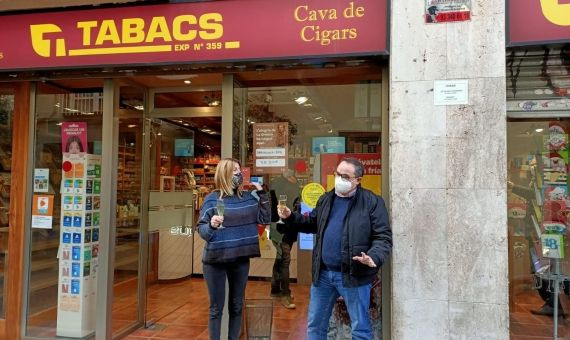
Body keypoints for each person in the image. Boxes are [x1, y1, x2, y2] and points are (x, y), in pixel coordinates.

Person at [277, 157, 392, 340]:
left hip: (354, 274)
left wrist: (373, 257)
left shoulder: (372, 202)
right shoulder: (326, 199)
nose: (339, 179)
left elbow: (383, 237)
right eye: (337, 174)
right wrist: (291, 217)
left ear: (358, 180)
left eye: (345, 176)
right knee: (315, 326)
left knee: (360, 329)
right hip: (323, 275)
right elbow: (312, 223)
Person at [197, 158, 271, 340]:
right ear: (224, 174)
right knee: (216, 308)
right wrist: (212, 225)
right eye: (234, 171)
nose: (239, 174)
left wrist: (262, 194)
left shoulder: (247, 197)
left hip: (239, 259)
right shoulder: (212, 199)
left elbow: (265, 219)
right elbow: (202, 230)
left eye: (239, 170)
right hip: (215, 261)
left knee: (237, 305)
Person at [269, 169, 300, 309]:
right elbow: (272, 204)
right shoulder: (276, 183)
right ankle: (285, 294)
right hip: (278, 228)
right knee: (285, 258)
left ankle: (275, 289)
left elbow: (296, 203)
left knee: (281, 257)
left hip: (291, 226)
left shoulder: (296, 184)